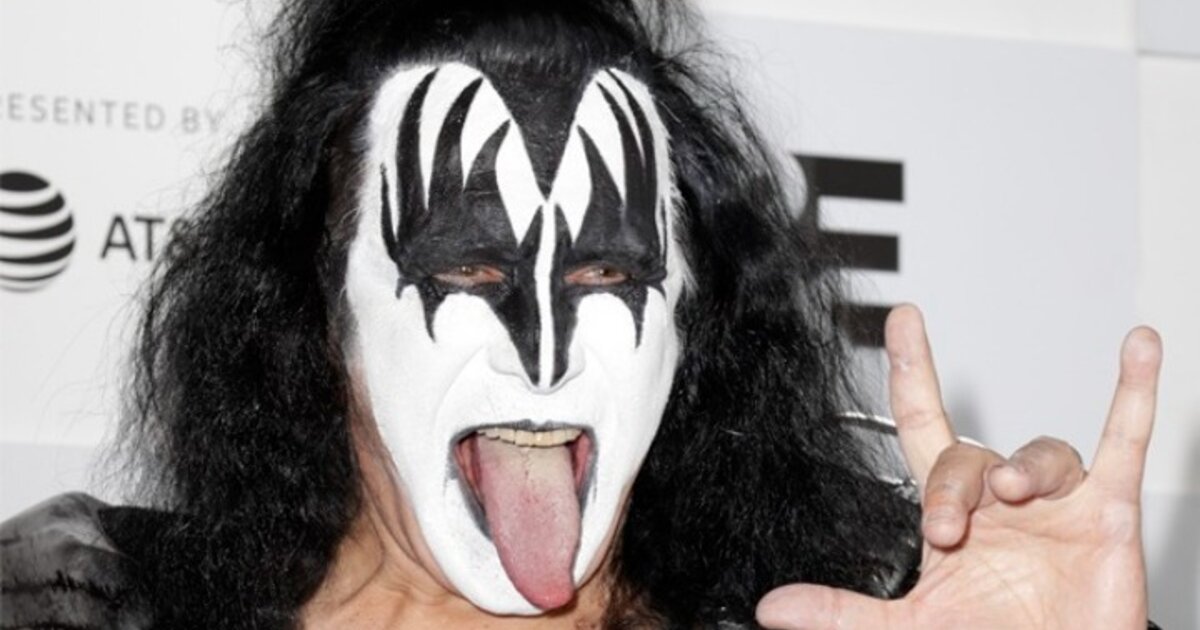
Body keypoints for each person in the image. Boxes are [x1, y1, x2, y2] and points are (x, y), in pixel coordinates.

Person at [0, 1, 1162, 628]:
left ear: (692, 315)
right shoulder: (85, 597)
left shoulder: (849, 597)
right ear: (319, 311)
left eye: (607, 276)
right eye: (469, 272)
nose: (545, 359)